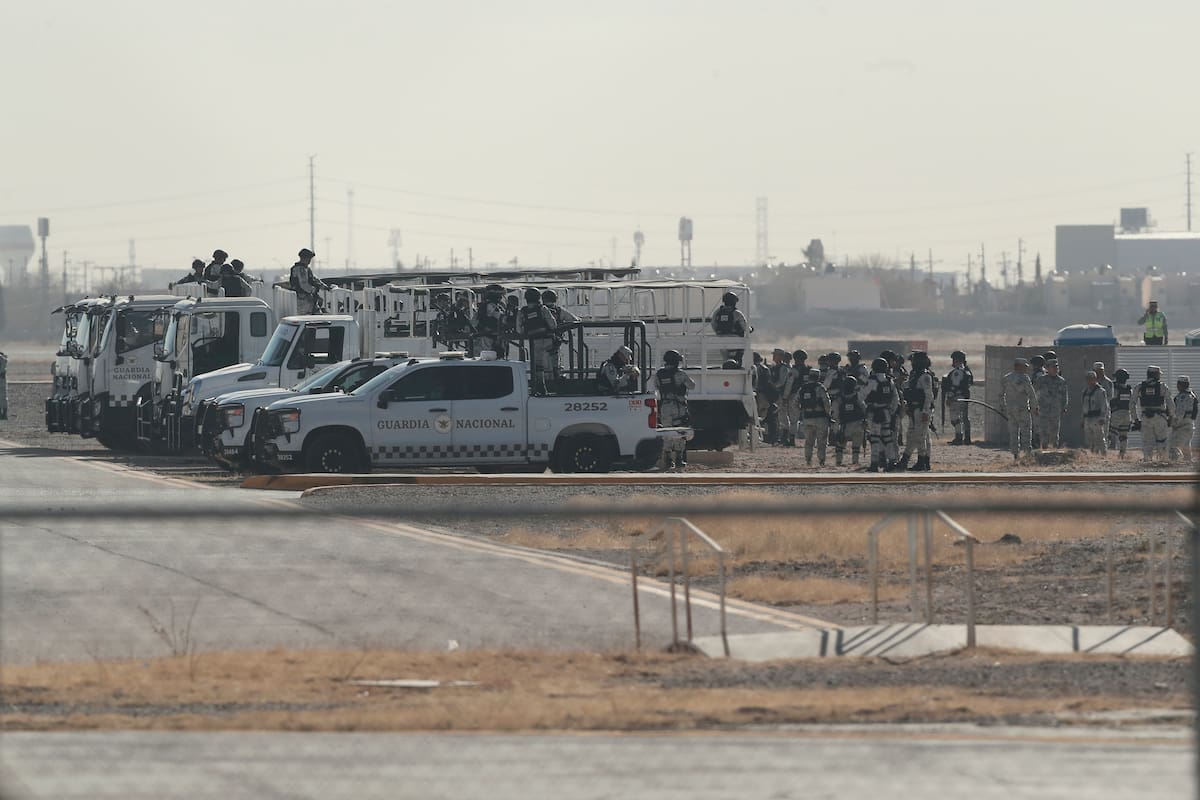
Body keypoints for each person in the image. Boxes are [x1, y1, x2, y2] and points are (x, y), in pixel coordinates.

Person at [653, 350, 695, 470]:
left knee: (667, 432)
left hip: (665, 406)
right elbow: (692, 385)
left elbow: (656, 386)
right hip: (678, 406)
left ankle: (667, 459)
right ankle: (679, 459)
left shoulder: (659, 374)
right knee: (680, 432)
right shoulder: (680, 374)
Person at [896, 351, 935, 471]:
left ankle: (920, 461)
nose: (912, 363)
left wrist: (925, 411)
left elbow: (929, 395)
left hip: (921, 410)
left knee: (919, 436)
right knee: (914, 435)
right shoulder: (915, 374)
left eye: (913, 361)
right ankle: (914, 461)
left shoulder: (925, 376)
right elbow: (909, 387)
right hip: (914, 410)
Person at [516, 287, 558, 393]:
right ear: (538, 297)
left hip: (534, 342)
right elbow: (553, 325)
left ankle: (540, 387)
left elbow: (519, 329)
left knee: (537, 366)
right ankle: (555, 384)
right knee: (551, 362)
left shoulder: (522, 311)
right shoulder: (543, 309)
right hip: (548, 341)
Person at [864, 357, 899, 472]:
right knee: (887, 438)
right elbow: (895, 398)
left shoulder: (872, 380)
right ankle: (892, 461)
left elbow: (863, 395)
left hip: (874, 412)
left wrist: (865, 409)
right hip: (886, 412)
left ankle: (874, 463)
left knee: (875, 439)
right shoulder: (889, 381)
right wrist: (891, 411)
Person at [999, 357, 1038, 459]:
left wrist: (1003, 407)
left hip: (1011, 410)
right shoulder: (1024, 378)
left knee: (1013, 432)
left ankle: (1015, 455)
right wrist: (1035, 407)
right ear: (1019, 366)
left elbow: (1000, 394)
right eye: (1024, 367)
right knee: (1026, 431)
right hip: (1022, 409)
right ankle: (1027, 455)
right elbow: (1031, 394)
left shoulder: (1006, 378)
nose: (1026, 369)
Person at [1136, 365, 1173, 461]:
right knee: (1162, 440)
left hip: (1145, 418)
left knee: (1147, 442)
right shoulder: (1162, 386)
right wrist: (1171, 417)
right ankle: (1163, 460)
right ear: (1155, 375)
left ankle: (1147, 460)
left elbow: (1131, 404)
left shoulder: (1140, 387)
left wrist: (1135, 419)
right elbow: (1170, 403)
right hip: (1160, 417)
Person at [796, 368, 831, 467]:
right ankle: (821, 461)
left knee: (808, 441)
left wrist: (802, 412)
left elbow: (795, 402)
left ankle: (808, 460)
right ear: (818, 377)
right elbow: (827, 403)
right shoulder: (820, 388)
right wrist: (828, 414)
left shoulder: (802, 388)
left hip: (807, 418)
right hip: (821, 418)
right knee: (822, 441)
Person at [541, 289, 578, 380]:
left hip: (537, 341)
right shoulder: (559, 311)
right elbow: (575, 320)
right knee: (555, 362)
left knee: (540, 365)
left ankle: (542, 381)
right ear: (555, 299)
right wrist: (562, 328)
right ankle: (556, 378)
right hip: (554, 341)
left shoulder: (539, 309)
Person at [833, 374, 867, 467]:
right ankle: (855, 461)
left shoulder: (840, 398)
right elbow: (864, 409)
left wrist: (837, 424)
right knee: (856, 445)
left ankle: (839, 461)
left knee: (840, 444)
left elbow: (835, 412)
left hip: (845, 425)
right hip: (858, 424)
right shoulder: (858, 397)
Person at [1034, 359, 1069, 449]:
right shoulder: (1041, 380)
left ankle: (1054, 449)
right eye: (1053, 367)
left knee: (1055, 431)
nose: (1055, 369)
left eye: (1056, 367)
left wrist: (1064, 407)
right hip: (1044, 410)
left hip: (1055, 410)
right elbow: (1035, 393)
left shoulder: (1061, 381)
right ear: (1048, 368)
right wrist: (1035, 406)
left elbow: (1065, 395)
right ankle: (1044, 449)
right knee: (1044, 431)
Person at [943, 350, 974, 445]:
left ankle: (959, 437)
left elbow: (955, 386)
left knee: (955, 417)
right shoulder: (967, 371)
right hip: (964, 397)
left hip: (957, 398)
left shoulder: (957, 372)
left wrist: (950, 397)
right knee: (964, 417)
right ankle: (967, 438)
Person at [710, 291, 748, 366]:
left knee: (725, 359)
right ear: (734, 302)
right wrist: (750, 329)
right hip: (736, 340)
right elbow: (745, 327)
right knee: (743, 349)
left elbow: (713, 324)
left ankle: (726, 366)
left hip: (721, 340)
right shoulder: (737, 313)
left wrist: (719, 333)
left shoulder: (717, 312)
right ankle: (738, 364)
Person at [289, 248, 330, 314]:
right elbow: (304, 284)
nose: (310, 260)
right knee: (306, 318)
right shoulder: (300, 269)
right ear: (304, 258)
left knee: (317, 316)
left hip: (308, 298)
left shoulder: (306, 269)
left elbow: (314, 279)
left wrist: (324, 286)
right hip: (302, 299)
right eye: (309, 258)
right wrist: (314, 290)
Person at [1108, 368, 1136, 459]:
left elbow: (1110, 400)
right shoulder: (1128, 389)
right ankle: (1122, 454)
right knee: (1123, 436)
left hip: (1116, 413)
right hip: (1127, 414)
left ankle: (1105, 452)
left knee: (1110, 434)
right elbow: (1132, 403)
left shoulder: (1115, 388)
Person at [770, 349, 795, 446]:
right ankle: (783, 437)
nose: (773, 357)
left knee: (783, 416)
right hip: (776, 394)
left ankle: (785, 437)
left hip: (780, 394)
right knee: (780, 416)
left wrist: (772, 386)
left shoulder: (783, 368)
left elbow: (782, 382)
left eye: (775, 355)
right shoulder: (776, 367)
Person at [1080, 371, 1110, 454]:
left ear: (1095, 379)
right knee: (1089, 439)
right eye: (1088, 379)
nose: (1090, 381)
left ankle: (1104, 454)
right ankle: (1093, 454)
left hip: (1096, 418)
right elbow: (1084, 406)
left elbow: (1104, 405)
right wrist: (1082, 419)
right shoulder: (1085, 392)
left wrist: (1102, 417)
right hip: (1087, 418)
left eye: (1092, 379)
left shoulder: (1100, 391)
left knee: (1099, 438)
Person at [1170, 376, 1197, 461]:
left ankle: (1174, 462)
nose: (1177, 386)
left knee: (1172, 445)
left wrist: (1175, 424)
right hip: (1189, 425)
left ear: (1181, 385)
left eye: (1178, 384)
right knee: (1186, 445)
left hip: (1182, 426)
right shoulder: (1191, 395)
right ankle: (1187, 462)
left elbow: (1180, 412)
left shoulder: (1183, 397)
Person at [474, 284, 506, 355]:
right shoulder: (490, 305)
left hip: (491, 336)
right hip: (486, 337)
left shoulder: (493, 305)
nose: (501, 297)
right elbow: (500, 318)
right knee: (486, 358)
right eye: (500, 295)